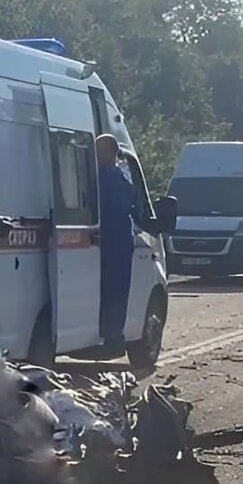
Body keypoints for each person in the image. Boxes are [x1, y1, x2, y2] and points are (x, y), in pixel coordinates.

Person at [96, 134, 135, 353]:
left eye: (101, 150)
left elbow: (127, 204)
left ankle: (113, 334)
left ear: (111, 152)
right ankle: (111, 334)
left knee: (116, 291)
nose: (98, 155)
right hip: (111, 241)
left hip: (117, 242)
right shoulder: (118, 176)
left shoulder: (117, 176)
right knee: (113, 291)